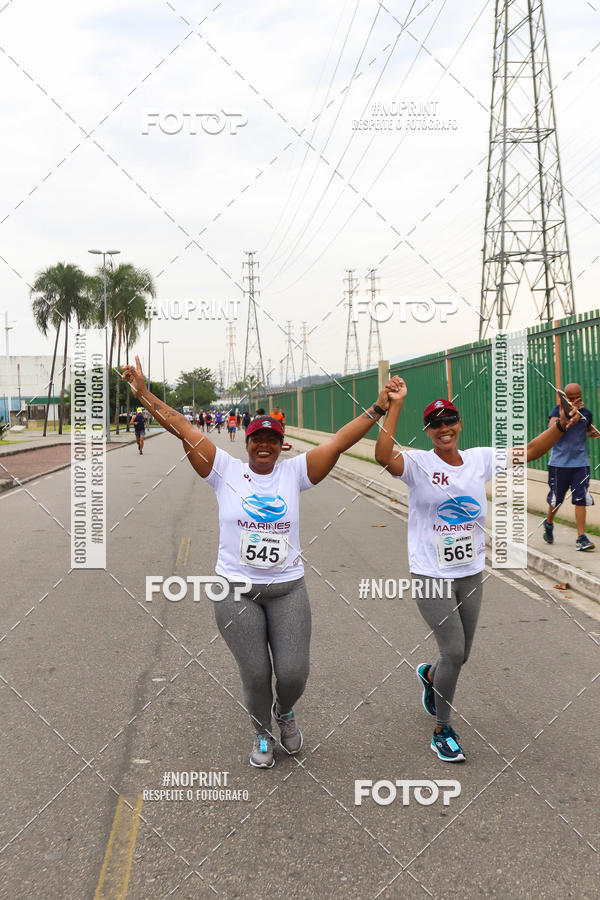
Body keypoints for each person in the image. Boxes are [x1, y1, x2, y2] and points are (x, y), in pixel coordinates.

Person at [122, 355, 397, 768]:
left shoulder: (294, 473)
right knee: (254, 674)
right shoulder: (224, 470)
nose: (264, 445)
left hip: (287, 590)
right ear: (247, 442)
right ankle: (262, 732)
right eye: (257, 439)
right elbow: (183, 427)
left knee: (293, 673)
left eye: (272, 439)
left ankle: (284, 712)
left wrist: (377, 407)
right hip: (235, 591)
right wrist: (144, 395)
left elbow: (340, 441)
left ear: (282, 443)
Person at [375, 377, 576, 763]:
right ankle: (442, 730)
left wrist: (561, 427)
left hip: (469, 570)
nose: (444, 428)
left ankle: (431, 677)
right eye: (435, 424)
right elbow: (383, 454)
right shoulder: (419, 464)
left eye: (449, 420)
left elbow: (531, 450)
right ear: (428, 431)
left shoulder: (479, 459)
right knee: (452, 649)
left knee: (461, 654)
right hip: (430, 573)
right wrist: (394, 405)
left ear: (459, 423)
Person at [542, 382, 599, 551]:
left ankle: (581, 537)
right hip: (559, 464)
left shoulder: (586, 414)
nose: (574, 401)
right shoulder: (557, 411)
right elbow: (552, 428)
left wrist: (592, 433)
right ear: (564, 398)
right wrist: (566, 416)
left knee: (581, 498)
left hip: (580, 464)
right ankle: (549, 523)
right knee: (557, 499)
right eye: (571, 398)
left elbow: (588, 429)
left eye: (577, 397)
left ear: (581, 396)